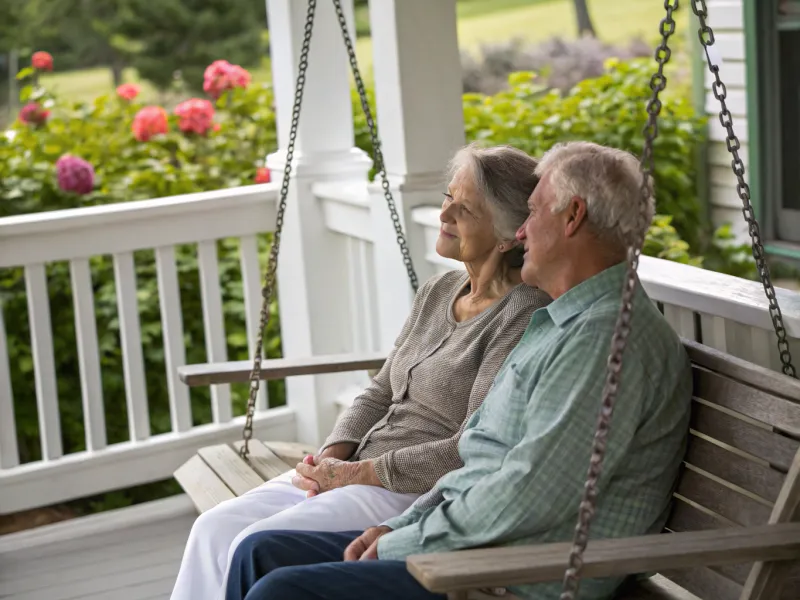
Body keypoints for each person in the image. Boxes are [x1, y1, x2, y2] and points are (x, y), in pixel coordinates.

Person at [222, 141, 693, 600]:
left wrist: (401, 540)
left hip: (515, 574)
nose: (522, 232)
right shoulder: (559, 323)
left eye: (532, 212)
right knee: (260, 552)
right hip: (468, 546)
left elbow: (528, 493)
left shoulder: (604, 339)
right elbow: (481, 458)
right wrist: (400, 526)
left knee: (281, 589)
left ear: (572, 217)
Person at [169, 143, 552, 600]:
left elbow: (467, 448)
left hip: (407, 489)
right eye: (448, 197)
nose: (445, 214)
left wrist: (355, 474)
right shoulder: (439, 289)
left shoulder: (523, 313)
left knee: (247, 546)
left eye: (464, 208)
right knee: (213, 527)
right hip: (352, 468)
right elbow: (380, 391)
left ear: (510, 234)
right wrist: (329, 456)